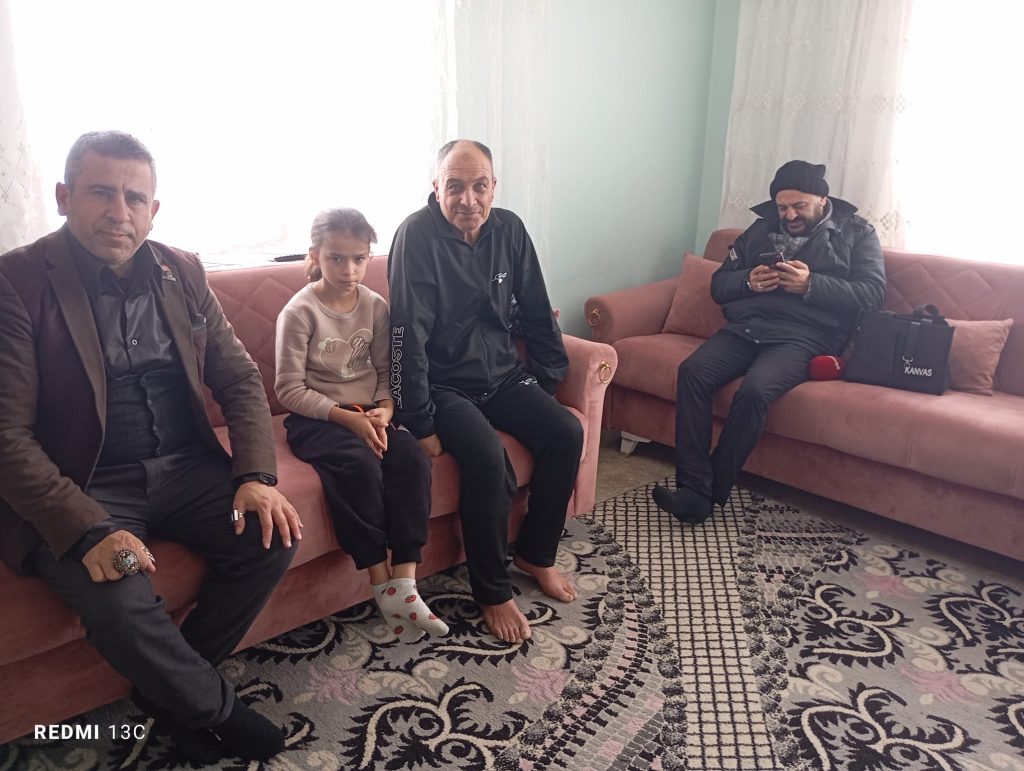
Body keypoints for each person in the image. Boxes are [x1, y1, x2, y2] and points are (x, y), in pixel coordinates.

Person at [0, 131, 303, 764]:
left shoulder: (181, 270)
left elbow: (240, 378)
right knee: (117, 596)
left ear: (154, 210)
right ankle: (215, 709)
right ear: (63, 197)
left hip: (185, 467)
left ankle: (166, 696)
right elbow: (7, 434)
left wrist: (256, 476)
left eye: (135, 197)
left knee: (270, 535)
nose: (120, 212)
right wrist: (88, 530)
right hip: (84, 482)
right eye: (101, 193)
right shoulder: (19, 281)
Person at [387, 140, 584, 644]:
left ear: (494, 187)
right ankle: (493, 590)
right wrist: (419, 418)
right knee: (489, 461)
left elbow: (536, 307)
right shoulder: (415, 235)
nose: (468, 200)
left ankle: (536, 554)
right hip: (444, 384)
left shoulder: (510, 229)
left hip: (502, 375)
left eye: (479, 186)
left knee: (565, 432)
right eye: (455, 186)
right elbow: (406, 333)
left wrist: (547, 378)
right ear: (436, 188)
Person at [653, 160, 886, 522]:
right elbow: (719, 285)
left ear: (823, 200)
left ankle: (709, 490)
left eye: (799, 206)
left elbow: (873, 295)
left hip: (806, 336)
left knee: (755, 391)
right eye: (782, 207)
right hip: (748, 327)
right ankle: (694, 488)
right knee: (693, 372)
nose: (789, 215)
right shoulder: (761, 228)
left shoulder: (857, 232)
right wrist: (747, 281)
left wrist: (811, 285)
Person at [275, 207, 448, 642]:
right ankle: (380, 580)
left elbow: (387, 371)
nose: (349, 270)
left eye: (359, 259)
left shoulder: (375, 305)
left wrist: (386, 409)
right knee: (358, 465)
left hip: (369, 410)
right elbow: (288, 389)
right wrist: (345, 419)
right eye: (336, 258)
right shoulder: (299, 311)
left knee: (410, 458)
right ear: (315, 255)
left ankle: (405, 582)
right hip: (318, 417)